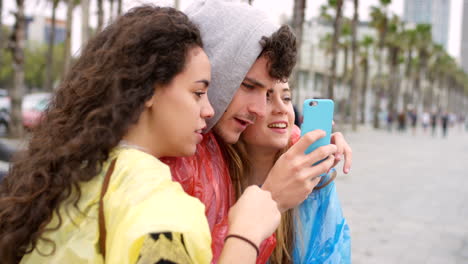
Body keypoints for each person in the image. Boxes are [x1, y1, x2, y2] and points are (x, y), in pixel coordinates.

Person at [0, 6, 281, 264]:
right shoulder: (158, 203)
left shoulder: (66, 175)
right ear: (148, 90)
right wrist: (245, 236)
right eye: (197, 93)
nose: (208, 109)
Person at [162, 0, 353, 262]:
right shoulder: (174, 161)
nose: (260, 109)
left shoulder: (305, 171)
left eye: (285, 98)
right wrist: (270, 200)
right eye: (249, 86)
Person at [231, 82, 351, 263]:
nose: (282, 109)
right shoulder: (214, 181)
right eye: (266, 98)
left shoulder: (314, 181)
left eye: (286, 98)